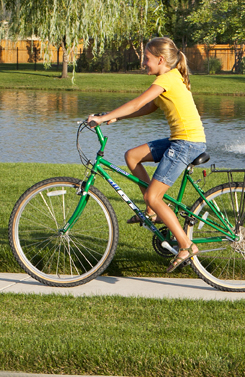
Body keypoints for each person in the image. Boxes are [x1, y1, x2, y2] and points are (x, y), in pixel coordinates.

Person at [87, 37, 207, 273]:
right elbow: (148, 107)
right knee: (132, 156)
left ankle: (186, 245)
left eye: (146, 58)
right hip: (182, 140)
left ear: (160, 59)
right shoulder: (169, 78)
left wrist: (102, 118)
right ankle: (152, 212)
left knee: (154, 196)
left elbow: (138, 102)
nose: (143, 63)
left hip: (186, 143)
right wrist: (116, 116)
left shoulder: (166, 79)